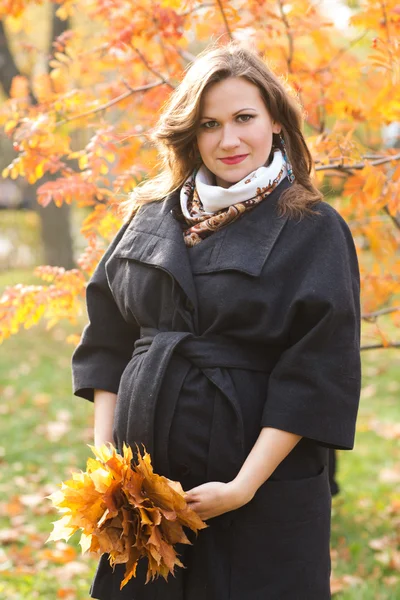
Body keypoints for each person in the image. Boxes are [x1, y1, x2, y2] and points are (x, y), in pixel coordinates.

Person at [72, 42, 361, 600]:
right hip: (142, 491)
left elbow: (316, 372)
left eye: (244, 118)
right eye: (209, 124)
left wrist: (243, 486)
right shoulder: (150, 215)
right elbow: (108, 341)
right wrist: (108, 466)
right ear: (190, 132)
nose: (228, 140)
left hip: (257, 487)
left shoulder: (313, 226)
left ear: (275, 120)